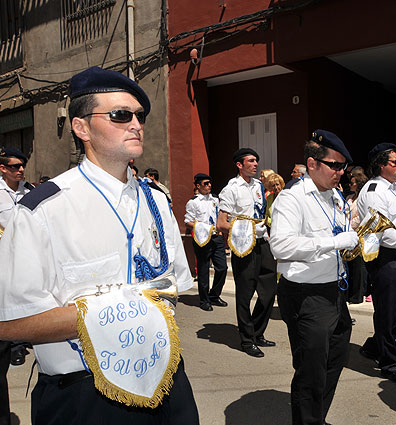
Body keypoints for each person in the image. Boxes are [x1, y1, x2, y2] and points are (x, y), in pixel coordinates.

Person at [0, 66, 198, 423]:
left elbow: (174, 287)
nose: (136, 124)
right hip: (84, 393)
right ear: (81, 127)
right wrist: (112, 311)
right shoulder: (44, 210)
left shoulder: (156, 200)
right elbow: (13, 322)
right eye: (121, 115)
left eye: (139, 116)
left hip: (166, 378)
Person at [270, 129, 358, 425]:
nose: (341, 172)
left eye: (343, 166)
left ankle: (315, 417)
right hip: (305, 294)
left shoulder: (334, 195)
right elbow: (280, 246)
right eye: (335, 165)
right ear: (312, 164)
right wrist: (333, 243)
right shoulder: (292, 198)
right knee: (311, 370)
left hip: (334, 290)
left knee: (336, 357)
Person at [357, 143, 396, 385]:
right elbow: (384, 232)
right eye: (395, 162)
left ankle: (375, 345)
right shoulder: (373, 190)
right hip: (386, 256)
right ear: (381, 165)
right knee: (387, 310)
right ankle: (389, 363)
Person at [217, 148, 277, 357]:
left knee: (269, 291)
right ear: (239, 165)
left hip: (262, 242)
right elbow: (221, 223)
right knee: (245, 294)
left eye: (256, 161)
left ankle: (257, 332)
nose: (255, 164)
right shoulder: (231, 189)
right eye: (251, 161)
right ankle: (246, 340)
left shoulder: (259, 186)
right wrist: (243, 228)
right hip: (243, 246)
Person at [0, 147, 34, 425]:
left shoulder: (29, 190)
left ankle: (18, 344)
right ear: (3, 169)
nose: (20, 170)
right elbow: (8, 224)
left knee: (23, 301)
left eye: (22, 165)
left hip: (26, 257)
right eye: (14, 166)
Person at [185, 172, 228, 311]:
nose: (209, 186)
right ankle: (204, 300)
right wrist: (203, 227)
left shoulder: (215, 199)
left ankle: (214, 295)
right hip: (202, 238)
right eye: (205, 184)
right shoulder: (193, 202)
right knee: (203, 270)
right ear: (198, 186)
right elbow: (188, 221)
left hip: (217, 237)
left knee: (222, 268)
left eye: (210, 183)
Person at [346, 172, 369, 304]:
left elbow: (361, 217)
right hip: (348, 234)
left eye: (352, 183)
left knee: (359, 265)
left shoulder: (363, 198)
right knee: (349, 264)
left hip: (359, 234)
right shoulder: (349, 197)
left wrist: (348, 225)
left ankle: (358, 295)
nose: (350, 185)